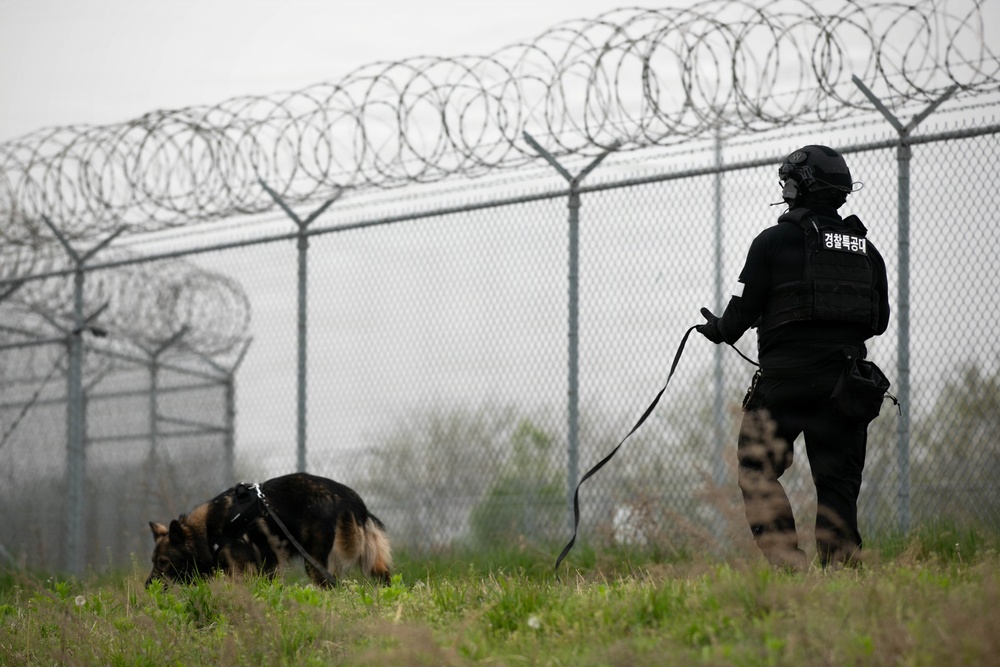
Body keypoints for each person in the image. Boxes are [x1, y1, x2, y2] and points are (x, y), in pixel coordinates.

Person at [696, 145, 890, 570]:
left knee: (756, 468)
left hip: (785, 384)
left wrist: (715, 329)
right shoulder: (867, 251)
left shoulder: (773, 241)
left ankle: (788, 566)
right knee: (838, 484)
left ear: (802, 186)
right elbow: (879, 323)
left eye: (787, 179)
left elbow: (739, 317)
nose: (783, 186)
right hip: (846, 383)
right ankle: (841, 572)